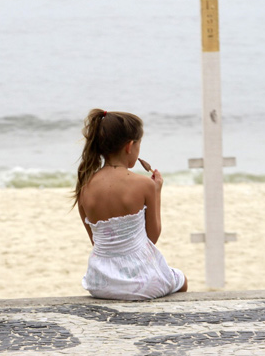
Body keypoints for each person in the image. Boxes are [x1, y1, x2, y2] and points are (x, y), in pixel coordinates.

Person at [74, 109, 187, 300]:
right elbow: (152, 237)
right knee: (182, 280)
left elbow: (98, 242)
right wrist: (156, 190)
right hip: (142, 283)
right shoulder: (143, 184)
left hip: (99, 281)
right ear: (130, 146)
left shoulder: (84, 186)